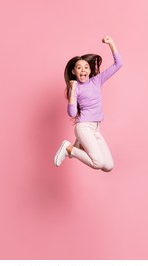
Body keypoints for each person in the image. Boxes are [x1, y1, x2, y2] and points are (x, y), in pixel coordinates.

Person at [54, 35, 123, 172]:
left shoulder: (96, 81)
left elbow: (118, 64)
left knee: (108, 166)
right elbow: (72, 113)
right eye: (79, 68)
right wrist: (73, 89)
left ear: (90, 70)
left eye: (86, 67)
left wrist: (111, 43)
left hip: (96, 128)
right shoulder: (75, 88)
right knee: (98, 163)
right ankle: (69, 148)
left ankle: (79, 142)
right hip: (84, 127)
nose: (83, 70)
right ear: (74, 72)